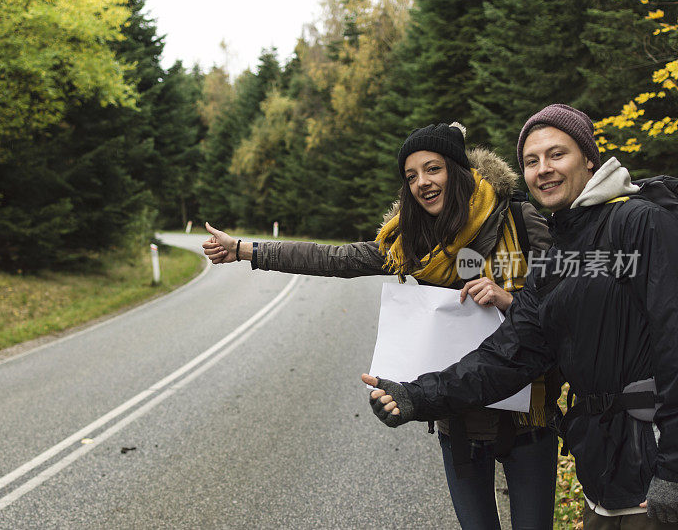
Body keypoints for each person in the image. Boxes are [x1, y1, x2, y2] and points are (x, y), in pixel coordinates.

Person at [203, 122, 560, 529]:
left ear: (457, 171)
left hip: (527, 415)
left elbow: (557, 311)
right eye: (411, 176)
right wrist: (245, 250)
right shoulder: (411, 241)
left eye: (433, 169)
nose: (422, 183)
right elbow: (335, 260)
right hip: (459, 419)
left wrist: (507, 299)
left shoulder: (518, 218)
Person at [362, 104, 678, 529]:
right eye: (532, 161)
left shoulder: (640, 224)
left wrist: (672, 473)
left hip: (653, 475)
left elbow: (674, 346)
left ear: (589, 158)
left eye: (556, 154)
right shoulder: (560, 254)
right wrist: (417, 396)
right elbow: (510, 354)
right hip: (604, 475)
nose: (543, 169)